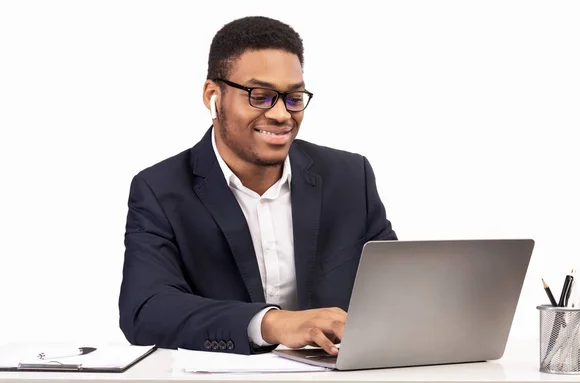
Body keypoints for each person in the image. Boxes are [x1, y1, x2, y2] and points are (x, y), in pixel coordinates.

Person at [118, 16, 397, 356]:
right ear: (213, 96)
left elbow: (396, 290)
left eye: (293, 97)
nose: (282, 114)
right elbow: (146, 311)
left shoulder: (351, 177)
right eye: (260, 96)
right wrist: (273, 323)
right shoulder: (160, 190)